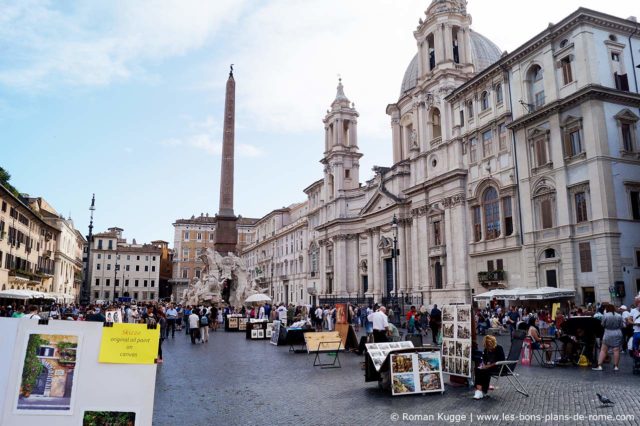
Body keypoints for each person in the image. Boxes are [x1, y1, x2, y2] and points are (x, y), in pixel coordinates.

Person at [593, 304, 624, 371]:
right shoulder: (619, 315)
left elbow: (602, 324)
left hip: (608, 333)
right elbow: (621, 325)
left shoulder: (605, 315)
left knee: (603, 350)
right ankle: (616, 366)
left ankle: (600, 365)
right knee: (616, 350)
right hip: (617, 333)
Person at [473, 335, 505, 399]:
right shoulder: (486, 349)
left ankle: (482, 391)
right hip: (490, 366)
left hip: (499, 367)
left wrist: (488, 365)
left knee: (485, 370)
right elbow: (484, 360)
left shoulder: (499, 348)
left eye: (490, 345)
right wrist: (483, 365)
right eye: (487, 345)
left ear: (493, 343)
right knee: (477, 369)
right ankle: (479, 390)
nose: (489, 347)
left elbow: (501, 361)